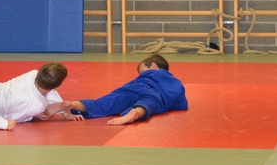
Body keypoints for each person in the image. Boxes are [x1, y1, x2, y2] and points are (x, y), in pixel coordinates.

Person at [45, 54, 188, 126]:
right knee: (148, 104)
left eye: (142, 71)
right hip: (155, 95)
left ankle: (71, 104)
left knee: (102, 103)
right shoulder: (174, 81)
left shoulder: (147, 76)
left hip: (134, 89)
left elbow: (128, 87)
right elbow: (180, 100)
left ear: (154, 66)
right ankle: (135, 113)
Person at [0, 62, 71, 124]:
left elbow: (50, 88)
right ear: (56, 87)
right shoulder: (33, 105)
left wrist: (65, 112)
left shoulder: (35, 74)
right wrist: (33, 116)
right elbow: (10, 118)